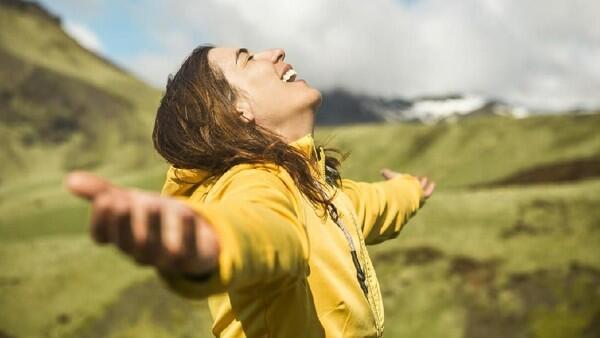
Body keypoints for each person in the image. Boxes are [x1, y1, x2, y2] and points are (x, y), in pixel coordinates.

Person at [67, 45, 435, 338]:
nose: (275, 52)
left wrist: (409, 189)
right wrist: (212, 242)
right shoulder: (256, 181)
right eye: (246, 59)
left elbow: (371, 205)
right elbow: (261, 228)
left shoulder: (314, 187)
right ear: (236, 109)